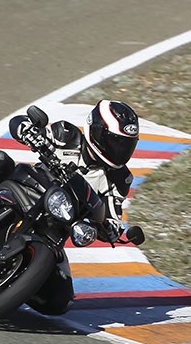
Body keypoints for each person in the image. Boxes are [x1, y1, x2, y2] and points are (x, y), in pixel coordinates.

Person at [8, 98, 140, 239]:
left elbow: (113, 220)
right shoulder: (65, 135)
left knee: (58, 254)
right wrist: (28, 131)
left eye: (125, 145)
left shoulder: (120, 178)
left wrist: (109, 229)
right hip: (25, 192)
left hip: (55, 225)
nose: (119, 151)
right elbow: (16, 122)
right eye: (114, 143)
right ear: (96, 130)